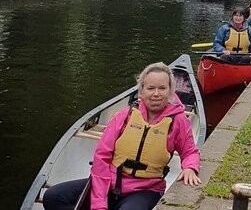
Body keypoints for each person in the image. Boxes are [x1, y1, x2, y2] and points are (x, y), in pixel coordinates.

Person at [43, 63, 201, 210]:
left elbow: (190, 152)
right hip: (110, 184)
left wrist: (190, 167)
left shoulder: (178, 121)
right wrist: (99, 204)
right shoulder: (123, 116)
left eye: (162, 88)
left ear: (170, 91)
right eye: (150, 88)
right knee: (53, 197)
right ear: (142, 90)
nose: (156, 94)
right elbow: (101, 157)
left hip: (145, 190)